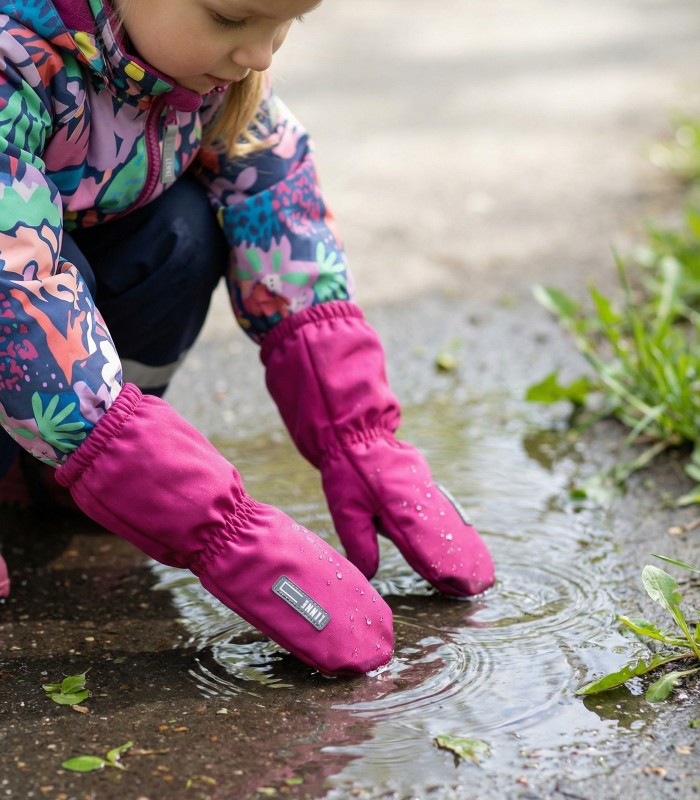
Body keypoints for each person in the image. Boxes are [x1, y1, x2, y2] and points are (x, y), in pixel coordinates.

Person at [0, 0, 495, 675]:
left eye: (287, 22)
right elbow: (19, 308)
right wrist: (215, 529)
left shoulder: (201, 77)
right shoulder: (13, 64)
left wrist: (359, 438)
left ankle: (63, 473)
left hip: (46, 329)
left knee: (181, 230)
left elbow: (279, 215)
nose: (261, 55)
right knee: (42, 284)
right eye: (233, 19)